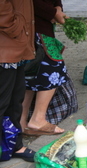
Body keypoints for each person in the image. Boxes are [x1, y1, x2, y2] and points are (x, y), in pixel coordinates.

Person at [21, 0, 70, 135]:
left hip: (34, 27)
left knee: (29, 75)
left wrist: (58, 8)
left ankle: (21, 123)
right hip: (33, 28)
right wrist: (53, 13)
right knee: (53, 69)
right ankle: (38, 119)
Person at [0, 0, 36, 168]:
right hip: (5, 44)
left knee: (15, 100)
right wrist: (16, 26)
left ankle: (15, 145)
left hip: (15, 46)